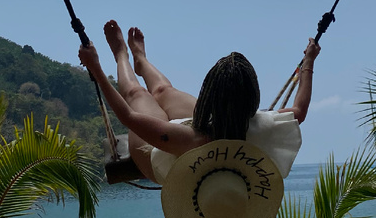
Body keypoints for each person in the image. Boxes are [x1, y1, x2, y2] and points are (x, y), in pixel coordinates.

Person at [78, 22, 320, 184]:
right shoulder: (261, 125)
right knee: (163, 90)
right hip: (206, 135)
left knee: (137, 95)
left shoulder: (191, 140)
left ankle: (122, 56)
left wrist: (96, 68)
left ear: (210, 94)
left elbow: (128, 116)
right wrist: (309, 60)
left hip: (159, 158)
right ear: (251, 98)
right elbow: (300, 110)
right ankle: (141, 61)